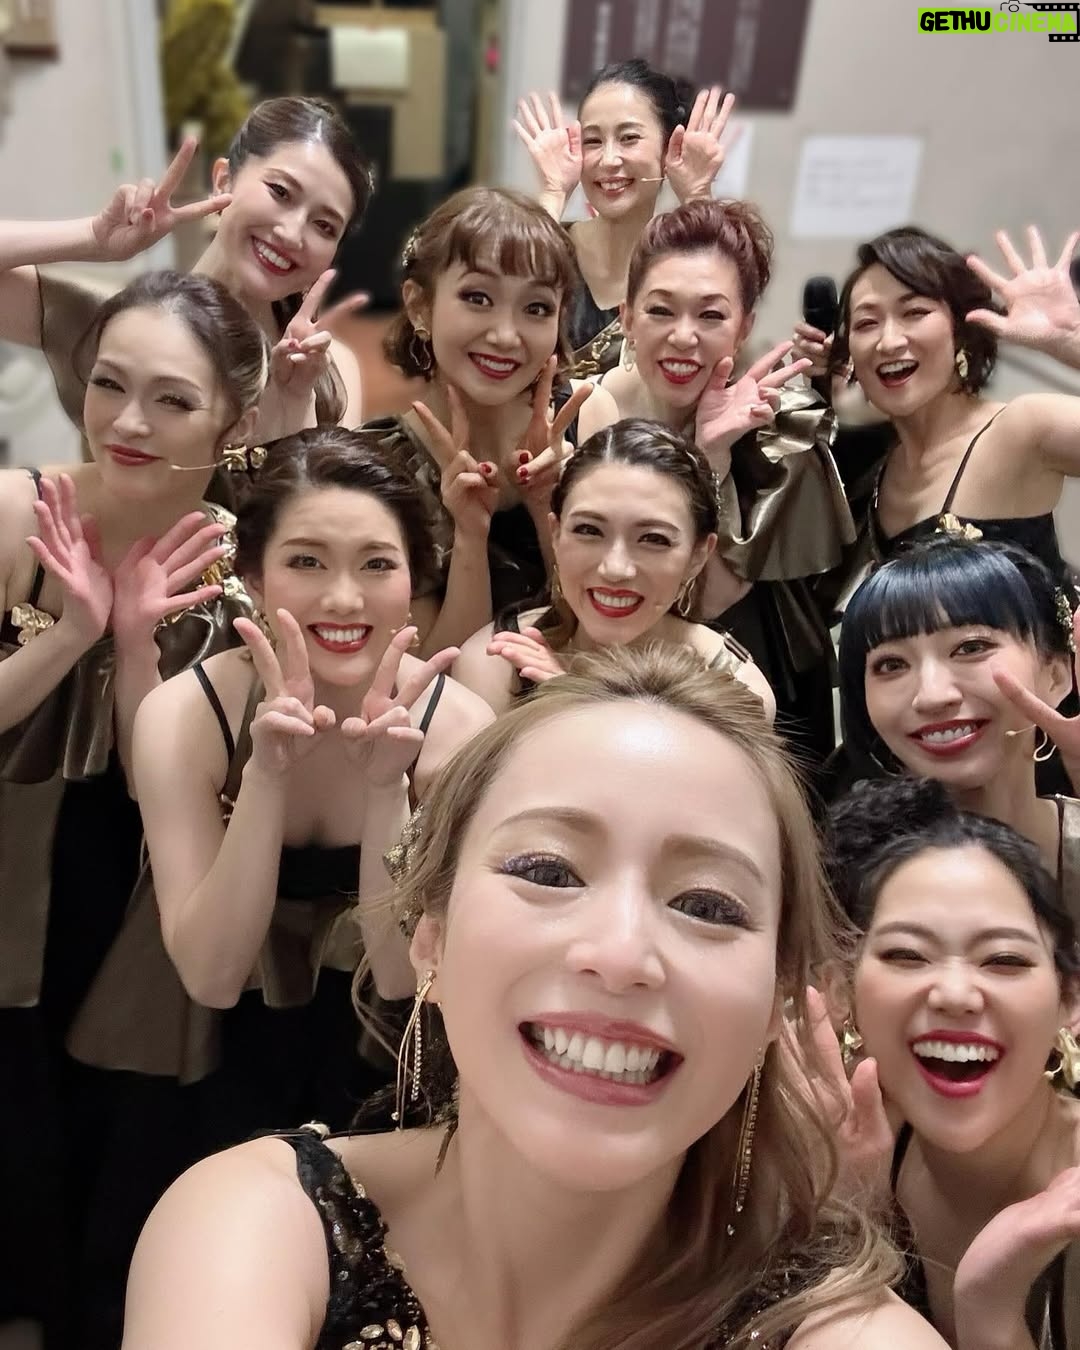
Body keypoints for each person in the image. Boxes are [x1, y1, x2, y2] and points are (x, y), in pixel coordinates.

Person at [122, 643, 947, 1350]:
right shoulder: (263, 1227)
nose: (620, 956)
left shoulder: (843, 1332)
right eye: (547, 871)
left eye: (706, 905)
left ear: (778, 1001)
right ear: (431, 936)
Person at [0, 269, 266, 1344]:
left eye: (172, 400)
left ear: (231, 422)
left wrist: (130, 648)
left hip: (143, 885)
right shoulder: (20, 511)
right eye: (109, 385)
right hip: (11, 879)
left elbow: (180, 774)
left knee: (105, 1141)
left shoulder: (243, 558)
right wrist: (69, 633)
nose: (129, 422)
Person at [100, 427, 494, 1139]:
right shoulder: (185, 718)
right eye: (306, 561)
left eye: (377, 564)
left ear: (413, 582)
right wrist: (265, 776)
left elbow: (400, 979)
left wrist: (388, 791)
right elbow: (212, 977)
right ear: (252, 579)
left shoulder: (457, 727)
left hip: (382, 1056)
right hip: (208, 1051)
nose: (343, 598)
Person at [825, 774, 1080, 1349]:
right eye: (907, 955)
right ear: (842, 989)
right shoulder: (841, 1166)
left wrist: (990, 1308)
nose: (955, 994)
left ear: (1069, 999)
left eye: (1004, 960)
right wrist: (845, 1217)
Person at [599, 197, 851, 773]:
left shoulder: (779, 428)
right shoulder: (592, 410)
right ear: (627, 318)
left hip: (747, 679)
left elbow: (702, 602)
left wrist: (709, 455)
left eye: (711, 316)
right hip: (611, 657)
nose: (684, 337)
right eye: (661, 310)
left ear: (744, 328)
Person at [0, 96, 372, 443]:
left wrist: (297, 400)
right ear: (224, 181)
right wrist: (92, 239)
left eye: (324, 226)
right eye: (280, 192)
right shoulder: (118, 324)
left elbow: (332, 492)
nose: (292, 234)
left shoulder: (331, 372)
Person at [367, 186, 617, 652]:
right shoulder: (381, 468)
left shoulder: (586, 417)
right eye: (478, 298)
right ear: (420, 306)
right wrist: (469, 535)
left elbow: (605, 631)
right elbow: (432, 669)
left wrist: (549, 507)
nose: (505, 335)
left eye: (536, 308)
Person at [453, 417, 774, 719]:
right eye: (589, 530)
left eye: (653, 539)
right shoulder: (495, 664)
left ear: (698, 555)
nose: (615, 569)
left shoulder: (737, 689)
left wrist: (578, 703)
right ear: (556, 534)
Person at [836, 535, 1080, 921]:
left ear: (1056, 675)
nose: (932, 696)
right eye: (892, 665)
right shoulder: (835, 881)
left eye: (970, 648)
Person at [829, 224, 1080, 584]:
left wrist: (1071, 341)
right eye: (867, 323)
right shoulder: (873, 473)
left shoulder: (1022, 428)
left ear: (959, 330)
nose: (889, 341)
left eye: (914, 312)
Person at [514, 60, 735, 375]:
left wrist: (697, 193)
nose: (608, 160)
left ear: (669, 147)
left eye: (629, 138)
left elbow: (717, 332)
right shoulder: (553, 245)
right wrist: (552, 191)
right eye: (593, 141)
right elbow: (510, 302)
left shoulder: (679, 260)